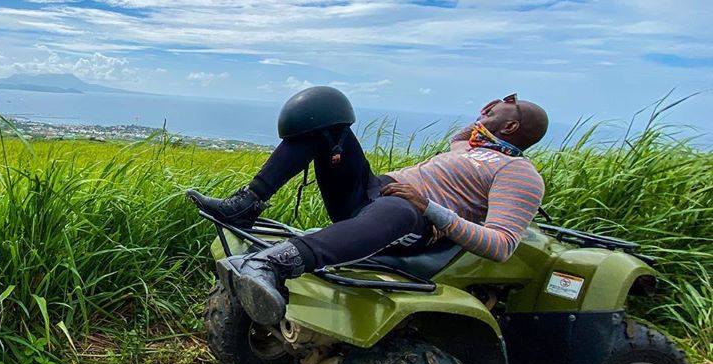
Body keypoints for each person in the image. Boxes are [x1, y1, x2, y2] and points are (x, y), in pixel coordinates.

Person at [186, 86, 549, 325]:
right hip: (371, 193)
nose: (487, 109)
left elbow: (501, 244)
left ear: (513, 125)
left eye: (499, 108)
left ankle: (272, 263)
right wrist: (487, 119)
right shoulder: (468, 146)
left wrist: (427, 207)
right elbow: (474, 128)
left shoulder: (519, 172)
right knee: (327, 124)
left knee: (401, 209)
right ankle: (246, 204)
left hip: (412, 221)